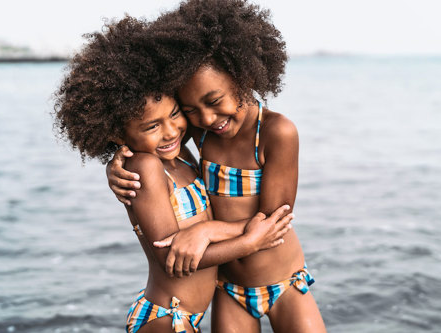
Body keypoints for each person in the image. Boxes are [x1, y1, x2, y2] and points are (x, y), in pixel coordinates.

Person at [53, 16, 294, 333]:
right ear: (116, 133)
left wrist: (207, 232)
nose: (170, 132)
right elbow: (170, 255)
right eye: (152, 126)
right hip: (166, 318)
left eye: (176, 114)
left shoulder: (180, 156)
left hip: (184, 317)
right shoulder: (146, 167)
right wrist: (247, 244)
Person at [107, 1, 327, 332]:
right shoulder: (201, 132)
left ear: (244, 76)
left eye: (213, 101)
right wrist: (116, 163)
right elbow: (153, 141)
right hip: (228, 289)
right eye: (191, 109)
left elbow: (274, 220)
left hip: (284, 282)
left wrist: (205, 230)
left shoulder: (276, 133)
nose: (207, 119)